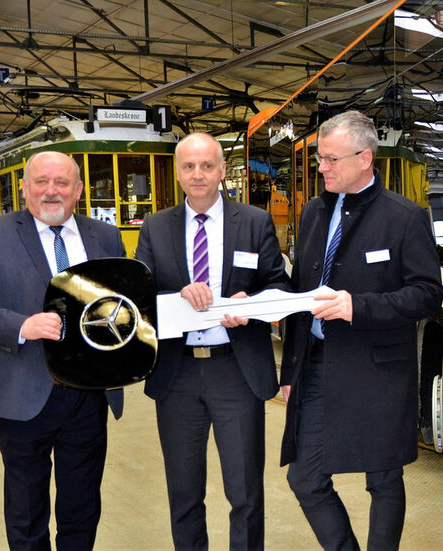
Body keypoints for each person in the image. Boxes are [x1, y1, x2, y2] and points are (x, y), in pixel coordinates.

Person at [279, 110, 443, 550]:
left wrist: (358, 308)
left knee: (384, 479)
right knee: (305, 478)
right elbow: (300, 292)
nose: (322, 167)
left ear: (365, 158)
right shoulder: (313, 213)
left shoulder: (404, 217)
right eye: (320, 158)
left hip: (379, 371)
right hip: (318, 367)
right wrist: (290, 373)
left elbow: (427, 294)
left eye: (331, 159)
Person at [0, 150, 126, 549]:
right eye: (41, 182)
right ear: (24, 187)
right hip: (22, 396)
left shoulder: (104, 236)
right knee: (26, 511)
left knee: (82, 507)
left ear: (78, 190)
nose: (51, 191)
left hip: (88, 396)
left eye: (62, 183)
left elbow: (124, 306)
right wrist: (21, 325)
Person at [135, 133, 289, 550]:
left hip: (235, 371)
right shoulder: (156, 226)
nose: (198, 174)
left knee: (245, 495)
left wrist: (251, 304)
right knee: (184, 494)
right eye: (189, 166)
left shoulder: (255, 222)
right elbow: (138, 295)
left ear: (222, 170)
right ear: (178, 173)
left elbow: (279, 285)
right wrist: (176, 296)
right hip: (177, 373)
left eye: (207, 166)